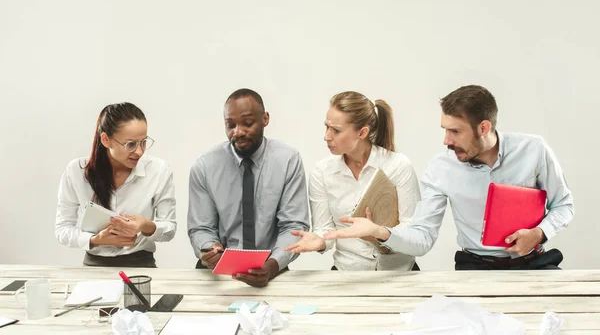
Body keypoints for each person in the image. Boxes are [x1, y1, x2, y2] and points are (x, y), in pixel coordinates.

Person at [322, 85, 574, 270]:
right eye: (445, 130)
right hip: (476, 267)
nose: (446, 141)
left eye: (455, 131)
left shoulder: (534, 150)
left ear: (483, 128)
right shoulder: (440, 168)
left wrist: (539, 233)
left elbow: (563, 205)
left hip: (535, 262)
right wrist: (381, 232)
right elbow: (422, 239)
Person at [285, 91, 421, 271]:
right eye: (326, 127)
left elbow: (414, 235)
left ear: (362, 132)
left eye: (336, 130)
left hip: (400, 274)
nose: (326, 136)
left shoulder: (398, 166)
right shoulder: (322, 172)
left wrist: (377, 234)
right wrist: (320, 240)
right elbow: (323, 228)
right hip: (347, 274)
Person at [187, 88, 310, 287]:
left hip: (272, 269)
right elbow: (201, 227)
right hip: (218, 273)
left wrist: (271, 266)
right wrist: (209, 248)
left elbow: (294, 226)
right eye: (230, 125)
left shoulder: (288, 160)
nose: (238, 132)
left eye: (248, 123)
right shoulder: (205, 166)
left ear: (265, 119)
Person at [55, 102, 177, 267]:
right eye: (130, 144)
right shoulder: (76, 171)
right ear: (106, 140)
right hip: (94, 266)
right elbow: (62, 229)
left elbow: (169, 228)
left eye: (144, 142)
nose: (139, 152)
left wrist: (144, 225)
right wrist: (94, 240)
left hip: (141, 266)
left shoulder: (159, 170)